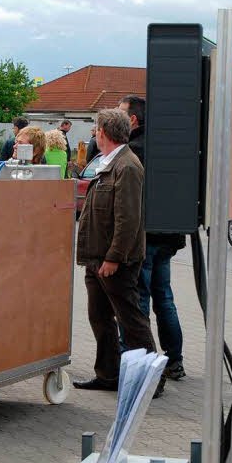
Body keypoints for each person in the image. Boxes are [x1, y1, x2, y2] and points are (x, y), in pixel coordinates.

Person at [73, 109, 163, 397]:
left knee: (131, 320)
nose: (95, 133)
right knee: (99, 317)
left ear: (104, 132)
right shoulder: (106, 162)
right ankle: (108, 374)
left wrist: (113, 257)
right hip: (96, 258)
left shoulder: (128, 166)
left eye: (96, 129)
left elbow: (128, 219)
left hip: (116, 261)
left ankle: (153, 380)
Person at [122, 95, 187, 380]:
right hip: (169, 236)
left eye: (120, 113)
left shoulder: (134, 150)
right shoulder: (167, 147)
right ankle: (174, 361)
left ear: (133, 119)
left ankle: (145, 366)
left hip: (147, 235)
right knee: (165, 298)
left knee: (141, 300)